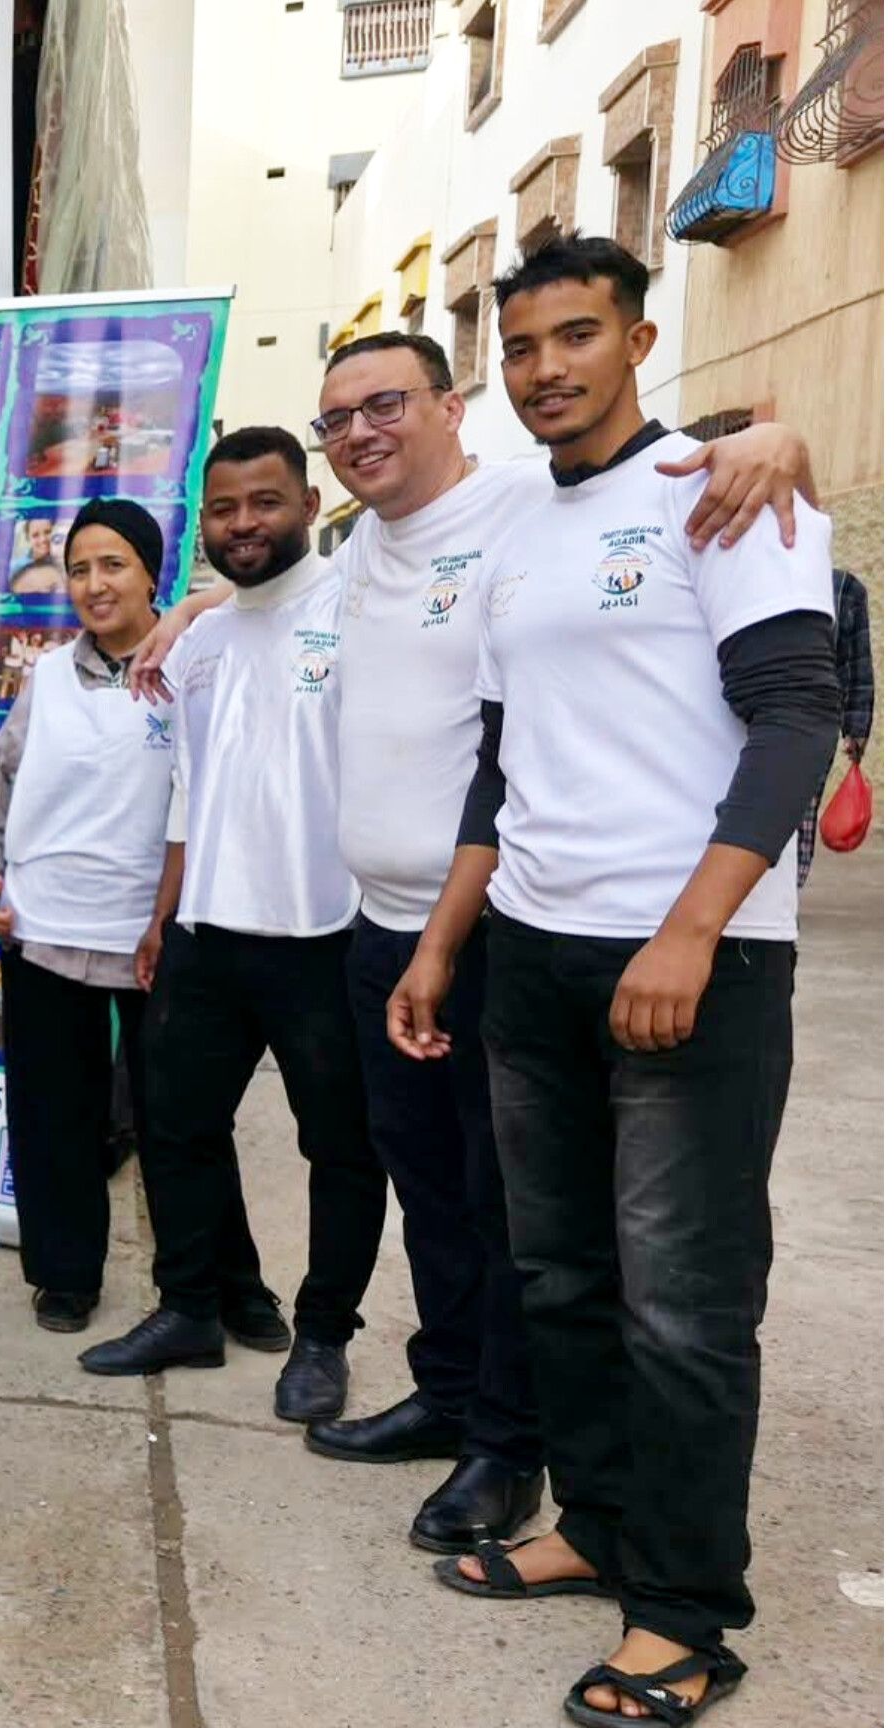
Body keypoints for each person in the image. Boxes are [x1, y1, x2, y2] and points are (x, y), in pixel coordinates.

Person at [127, 343, 813, 1549]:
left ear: (452, 406)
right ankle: (449, 1395)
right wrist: (187, 606)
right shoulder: (357, 551)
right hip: (380, 932)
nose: (361, 431)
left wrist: (773, 437)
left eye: (385, 404)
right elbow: (268, 589)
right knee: (433, 1196)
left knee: (520, 1218)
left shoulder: (521, 508)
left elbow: (651, 479)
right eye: (338, 417)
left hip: (494, 929)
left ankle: (509, 1446)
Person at [390, 235, 837, 1728]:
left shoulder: (726, 492)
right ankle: (594, 1523)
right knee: (564, 1276)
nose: (546, 369)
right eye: (521, 347)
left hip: (691, 966)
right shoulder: (522, 527)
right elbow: (500, 761)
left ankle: (689, 1614)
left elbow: (795, 720)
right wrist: (444, 946)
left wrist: (694, 929)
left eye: (577, 336)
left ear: (640, 339)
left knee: (685, 1307)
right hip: (534, 955)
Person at [76, 427, 385, 1433]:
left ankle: (323, 1335)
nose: (243, 523)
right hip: (208, 930)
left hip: (326, 930)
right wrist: (165, 913)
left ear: (309, 504)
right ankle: (190, 1310)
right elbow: (186, 786)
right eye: (223, 509)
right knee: (175, 1126)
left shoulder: (357, 602)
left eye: (265, 502)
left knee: (339, 1147)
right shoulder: (197, 642)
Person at [0, 498, 175, 1332]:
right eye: (79, 569)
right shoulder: (46, 676)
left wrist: (190, 615)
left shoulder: (193, 665)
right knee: (54, 1114)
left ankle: (203, 1283)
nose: (93, 584)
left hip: (156, 933)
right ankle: (66, 1273)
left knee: (177, 1119)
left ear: (152, 573)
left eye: (113, 564)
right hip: (43, 926)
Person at [800, 567, 873, 887]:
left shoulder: (845, 589)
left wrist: (856, 729)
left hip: (817, 722)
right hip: (758, 719)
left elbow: (857, 665)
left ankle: (790, 890)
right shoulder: (755, 577)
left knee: (802, 814)